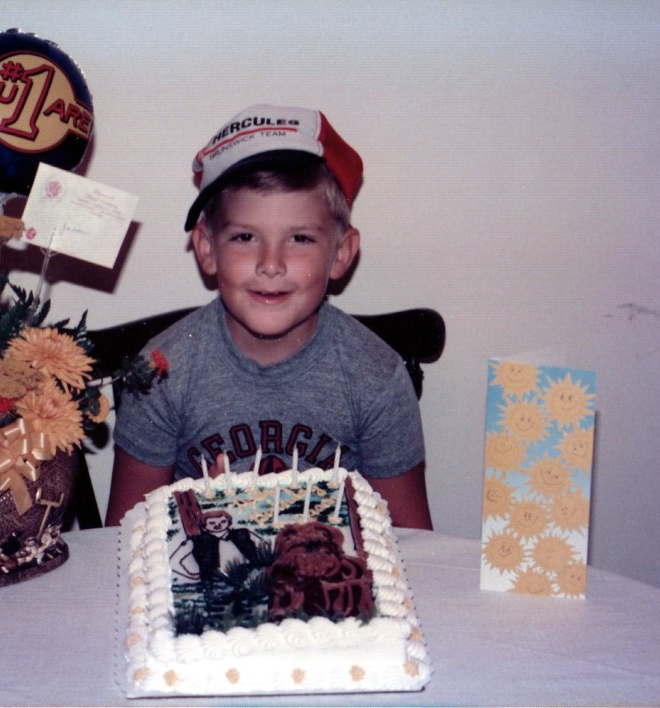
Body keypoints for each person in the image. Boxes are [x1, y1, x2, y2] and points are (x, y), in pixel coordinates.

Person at [104, 104, 432, 529]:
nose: (270, 264)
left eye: (299, 238)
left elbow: (411, 544)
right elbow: (126, 537)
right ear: (207, 248)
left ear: (341, 254)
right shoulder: (161, 373)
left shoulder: (376, 378)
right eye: (244, 237)